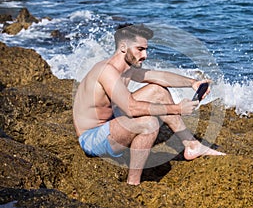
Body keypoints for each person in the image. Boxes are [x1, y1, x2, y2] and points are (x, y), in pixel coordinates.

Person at [73, 23, 225, 185]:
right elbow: (131, 108)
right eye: (140, 49)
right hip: (91, 137)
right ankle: (133, 183)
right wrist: (178, 108)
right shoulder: (107, 71)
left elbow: (157, 76)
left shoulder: (127, 68)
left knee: (158, 90)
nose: (145, 55)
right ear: (123, 47)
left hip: (112, 123)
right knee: (149, 123)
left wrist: (193, 83)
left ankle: (192, 145)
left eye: (146, 49)